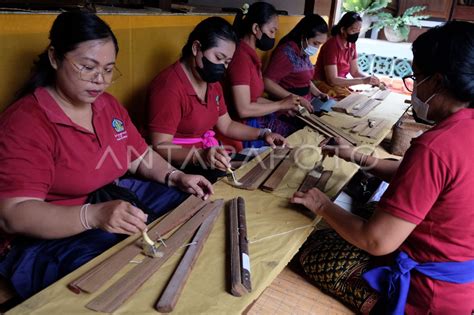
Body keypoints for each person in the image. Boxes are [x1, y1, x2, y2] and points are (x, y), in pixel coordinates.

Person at [0, 12, 214, 300]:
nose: (100, 80)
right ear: (54, 57)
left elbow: (137, 155)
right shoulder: (27, 122)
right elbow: (14, 214)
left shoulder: (106, 105)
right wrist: (92, 216)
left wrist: (176, 176)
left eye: (109, 69)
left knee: (190, 212)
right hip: (41, 235)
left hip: (102, 200)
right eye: (87, 67)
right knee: (111, 279)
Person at [292, 21, 474, 314]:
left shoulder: (436, 146)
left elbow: (376, 241)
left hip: (430, 294)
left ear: (438, 82)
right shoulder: (461, 132)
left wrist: (321, 204)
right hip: (463, 275)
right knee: (362, 210)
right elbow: (420, 178)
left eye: (417, 77)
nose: (415, 86)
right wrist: (359, 157)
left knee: (315, 250)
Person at [147, 17, 287, 182]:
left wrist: (264, 134)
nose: (223, 67)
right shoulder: (168, 87)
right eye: (218, 58)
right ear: (196, 47)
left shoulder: (212, 84)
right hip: (176, 166)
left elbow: (226, 125)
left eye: (227, 62)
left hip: (207, 156)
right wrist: (200, 155)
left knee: (262, 164)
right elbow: (161, 146)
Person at [225, 2, 304, 148]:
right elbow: (243, 109)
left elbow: (253, 98)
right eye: (272, 31)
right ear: (256, 28)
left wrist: (283, 106)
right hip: (242, 127)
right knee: (294, 140)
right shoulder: (240, 59)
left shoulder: (250, 55)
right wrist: (279, 104)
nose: (273, 36)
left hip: (252, 120)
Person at [264, 14, 329, 112]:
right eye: (315, 43)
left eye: (320, 44)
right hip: (289, 108)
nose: (316, 48)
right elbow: (267, 82)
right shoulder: (286, 53)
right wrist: (297, 99)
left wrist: (318, 93)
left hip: (306, 103)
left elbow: (305, 79)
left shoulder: (303, 51)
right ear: (304, 37)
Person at [313, 11, 380, 99]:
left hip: (338, 84)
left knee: (362, 99)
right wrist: (363, 81)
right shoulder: (332, 46)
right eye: (353, 30)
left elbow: (355, 72)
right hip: (323, 83)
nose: (356, 33)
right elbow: (332, 80)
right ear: (343, 30)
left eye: (358, 31)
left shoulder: (351, 44)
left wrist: (370, 80)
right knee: (352, 102)